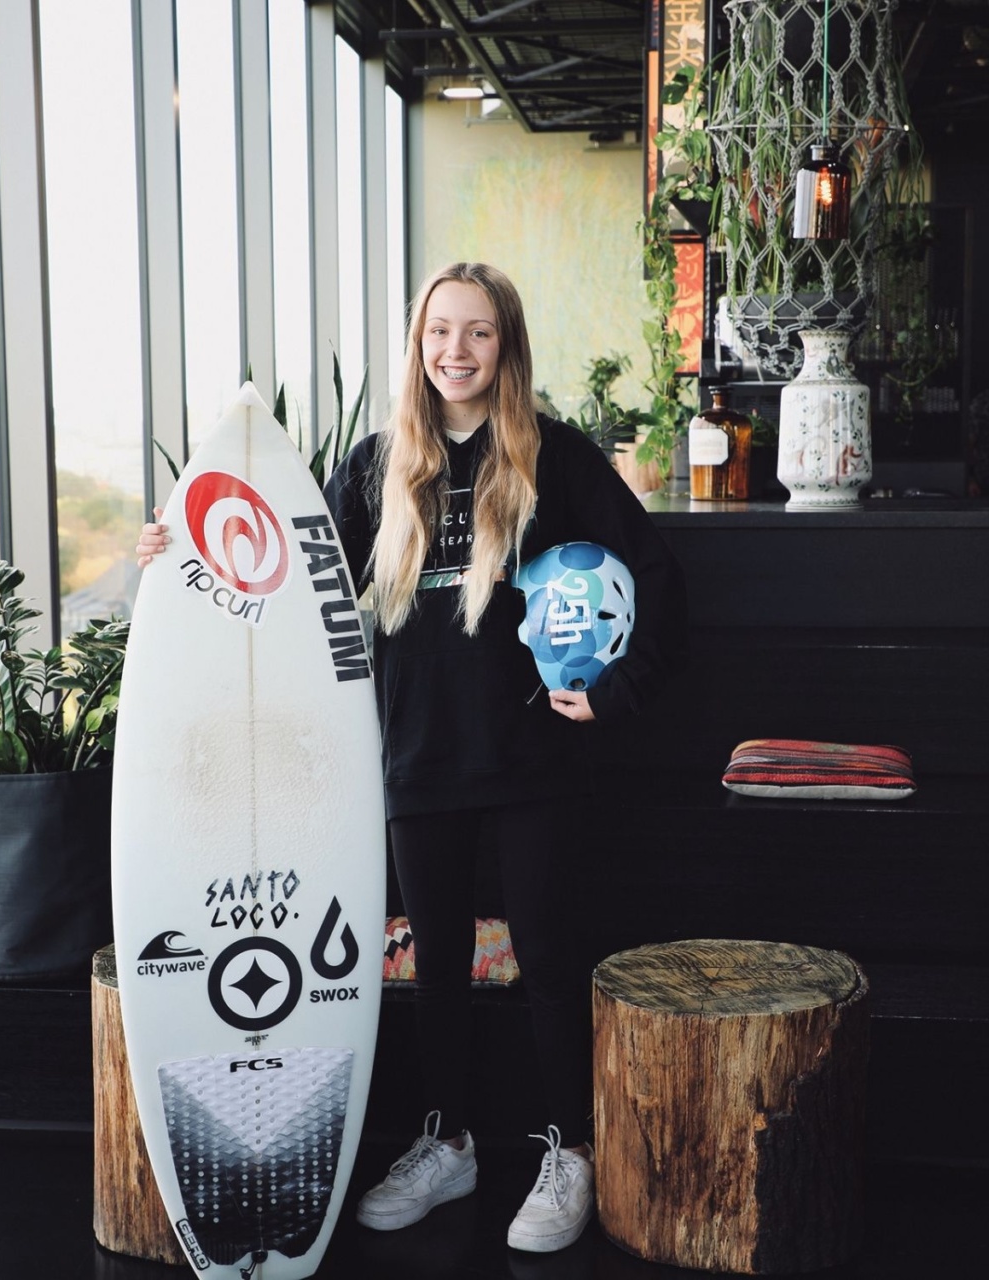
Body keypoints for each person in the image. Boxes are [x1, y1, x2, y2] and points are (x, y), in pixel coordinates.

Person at [136, 261, 687, 1254]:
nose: (456, 352)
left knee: (550, 959)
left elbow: (653, 571)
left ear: (505, 345)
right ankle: (451, 1141)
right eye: (439, 332)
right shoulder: (373, 463)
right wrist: (183, 558)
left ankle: (566, 1148)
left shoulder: (552, 457)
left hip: (531, 754)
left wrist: (613, 689)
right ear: (418, 342)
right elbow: (292, 581)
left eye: (477, 333)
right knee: (431, 962)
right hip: (413, 753)